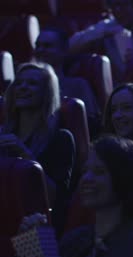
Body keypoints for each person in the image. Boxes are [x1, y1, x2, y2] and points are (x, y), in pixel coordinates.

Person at [19, 135, 133, 257]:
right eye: (85, 170)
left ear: (125, 177)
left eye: (99, 171)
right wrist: (33, 246)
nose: (86, 178)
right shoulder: (76, 238)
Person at [3, 63, 76, 232]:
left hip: (36, 225)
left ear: (47, 92)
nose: (23, 88)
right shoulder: (2, 134)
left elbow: (55, 199)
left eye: (32, 83)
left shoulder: (61, 138)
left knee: (36, 255)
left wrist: (25, 155)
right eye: (19, 83)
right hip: (4, 218)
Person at [69, 0, 133, 82]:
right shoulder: (107, 26)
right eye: (114, 5)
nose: (119, 10)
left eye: (124, 4)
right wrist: (101, 32)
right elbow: (70, 46)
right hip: (119, 88)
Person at [34, 27, 101, 137]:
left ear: (63, 51)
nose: (40, 50)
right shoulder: (24, 84)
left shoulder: (78, 85)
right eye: (38, 45)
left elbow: (92, 126)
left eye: (47, 46)